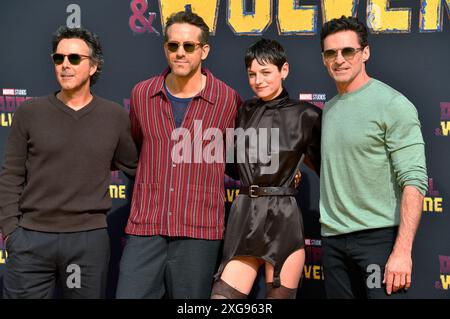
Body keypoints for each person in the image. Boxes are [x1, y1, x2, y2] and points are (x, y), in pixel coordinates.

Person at [0, 26, 138, 299]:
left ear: (93, 66)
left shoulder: (114, 117)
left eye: (74, 58)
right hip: (30, 240)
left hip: (87, 244)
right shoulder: (29, 112)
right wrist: (11, 231)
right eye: (58, 58)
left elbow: (136, 168)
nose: (65, 65)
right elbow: (10, 175)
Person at [115, 11, 241, 299]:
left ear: (204, 50)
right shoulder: (142, 94)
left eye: (189, 46)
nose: (180, 53)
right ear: (165, 49)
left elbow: (237, 158)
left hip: (199, 230)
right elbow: (137, 148)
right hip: (147, 226)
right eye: (173, 46)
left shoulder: (227, 99)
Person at [319, 16, 428, 299]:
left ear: (365, 53)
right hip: (332, 242)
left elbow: (414, 181)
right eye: (331, 53)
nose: (339, 60)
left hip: (378, 240)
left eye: (348, 51)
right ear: (323, 58)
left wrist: (402, 251)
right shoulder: (328, 110)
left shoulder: (393, 105)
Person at [210, 39, 321, 299]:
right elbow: (233, 165)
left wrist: (288, 172)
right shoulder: (243, 111)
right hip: (245, 213)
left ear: (284, 70)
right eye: (252, 74)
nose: (258, 80)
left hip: (283, 216)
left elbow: (327, 168)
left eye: (266, 72)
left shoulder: (307, 115)